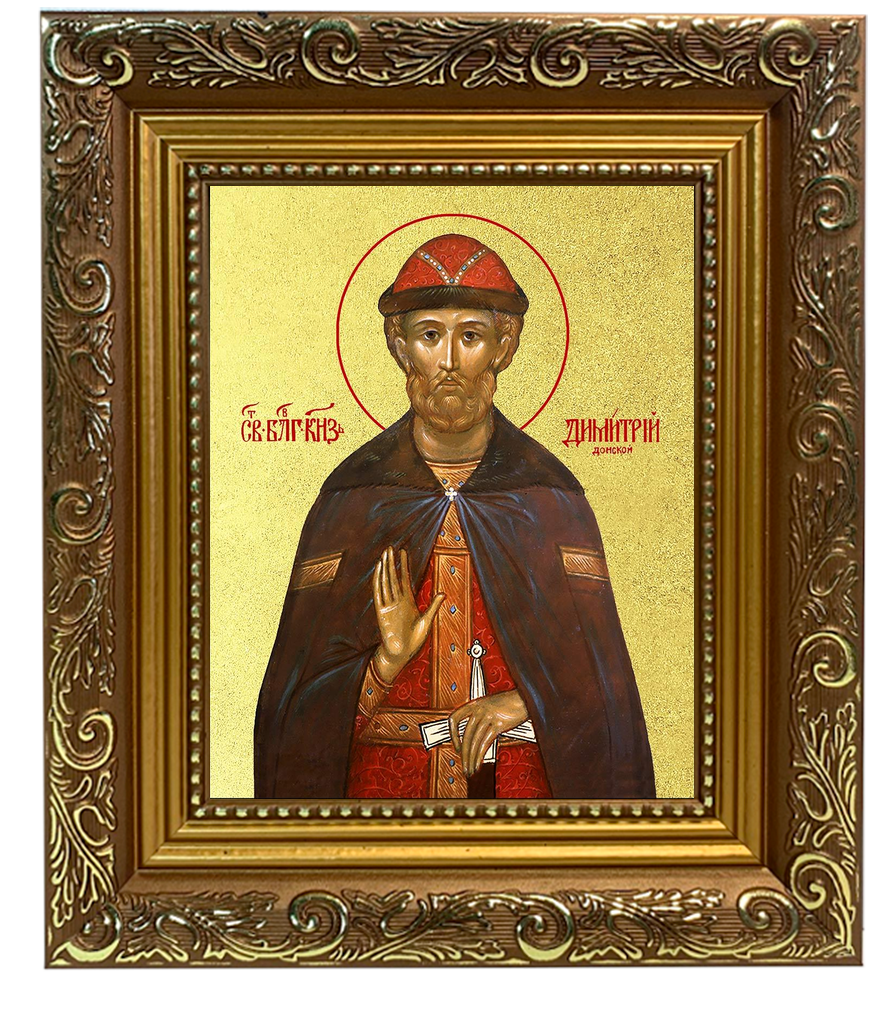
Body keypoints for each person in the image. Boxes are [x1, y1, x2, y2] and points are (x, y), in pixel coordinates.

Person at [254, 233, 655, 800]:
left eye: (470, 336)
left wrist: (525, 700)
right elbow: (291, 716)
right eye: (429, 335)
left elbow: (606, 697)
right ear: (400, 347)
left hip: (519, 804)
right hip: (385, 809)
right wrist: (386, 662)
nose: (447, 362)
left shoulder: (549, 500)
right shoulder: (353, 500)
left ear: (503, 346)